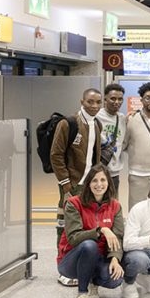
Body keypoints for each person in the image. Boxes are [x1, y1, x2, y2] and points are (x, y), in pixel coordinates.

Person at [51, 88, 103, 286]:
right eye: (90, 102)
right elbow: (56, 155)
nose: (94, 106)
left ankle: (80, 266)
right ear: (82, 102)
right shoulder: (69, 123)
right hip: (71, 185)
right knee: (65, 227)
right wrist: (66, 185)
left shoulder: (96, 124)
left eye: (98, 102)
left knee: (84, 228)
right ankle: (63, 269)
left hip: (88, 186)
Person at [56, 164, 124, 298]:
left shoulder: (115, 206)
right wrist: (101, 230)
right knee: (89, 245)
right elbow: (74, 238)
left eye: (103, 180)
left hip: (98, 259)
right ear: (88, 183)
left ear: (108, 182)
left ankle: (93, 282)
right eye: (94, 180)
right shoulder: (74, 203)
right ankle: (81, 296)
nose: (99, 184)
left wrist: (114, 258)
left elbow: (118, 236)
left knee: (115, 279)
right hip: (71, 261)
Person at [97, 83, 126, 194]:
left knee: (112, 202)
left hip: (114, 173)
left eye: (120, 99)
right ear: (105, 99)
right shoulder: (97, 116)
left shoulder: (122, 118)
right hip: (96, 171)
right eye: (113, 98)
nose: (117, 102)